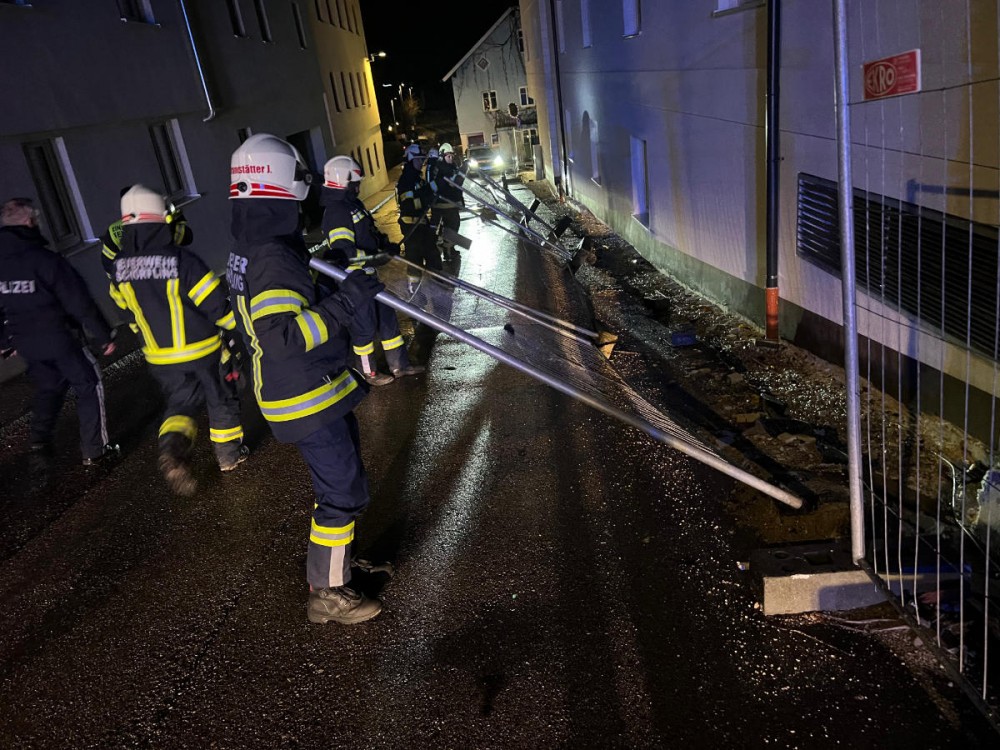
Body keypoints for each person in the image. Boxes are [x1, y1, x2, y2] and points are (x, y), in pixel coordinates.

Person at [227, 133, 384, 625]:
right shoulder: (272, 254)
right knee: (343, 491)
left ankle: (338, 562)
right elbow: (284, 336)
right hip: (303, 394)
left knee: (343, 479)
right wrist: (345, 302)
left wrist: (330, 274)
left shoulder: (254, 246)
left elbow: (286, 299)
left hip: (313, 389)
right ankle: (328, 593)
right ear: (283, 184)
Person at [108, 185, 247, 496]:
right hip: (202, 351)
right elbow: (215, 305)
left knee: (181, 404)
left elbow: (127, 313)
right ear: (160, 219)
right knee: (221, 396)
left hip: (159, 357)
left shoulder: (118, 268)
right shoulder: (182, 261)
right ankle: (228, 456)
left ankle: (172, 449)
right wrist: (238, 328)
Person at [0, 197, 118, 466]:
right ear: (30, 222)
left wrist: (5, 340)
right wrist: (103, 335)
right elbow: (78, 301)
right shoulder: (45, 260)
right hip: (59, 339)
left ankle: (39, 441)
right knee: (89, 384)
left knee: (49, 385)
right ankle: (95, 450)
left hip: (25, 341)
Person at [319, 155, 425, 383]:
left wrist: (384, 245)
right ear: (343, 181)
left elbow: (369, 233)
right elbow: (344, 253)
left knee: (387, 319)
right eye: (355, 183)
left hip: (369, 276)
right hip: (353, 282)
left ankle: (400, 365)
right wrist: (375, 257)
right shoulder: (337, 211)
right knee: (364, 329)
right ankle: (368, 372)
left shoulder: (351, 204)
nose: (358, 187)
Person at [395, 143, 438, 293]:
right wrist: (425, 200)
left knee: (433, 255)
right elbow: (408, 205)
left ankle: (438, 287)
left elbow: (428, 192)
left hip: (422, 224)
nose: (421, 163)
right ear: (410, 160)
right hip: (411, 229)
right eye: (418, 160)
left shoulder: (418, 179)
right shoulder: (405, 181)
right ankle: (415, 293)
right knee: (415, 261)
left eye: (422, 159)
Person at [428, 142, 465, 262]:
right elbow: (453, 183)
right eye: (448, 156)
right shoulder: (441, 167)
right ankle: (447, 252)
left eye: (452, 156)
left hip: (450, 204)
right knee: (451, 228)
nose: (451, 158)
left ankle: (450, 249)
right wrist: (464, 170)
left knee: (452, 228)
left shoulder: (450, 166)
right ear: (442, 156)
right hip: (444, 205)